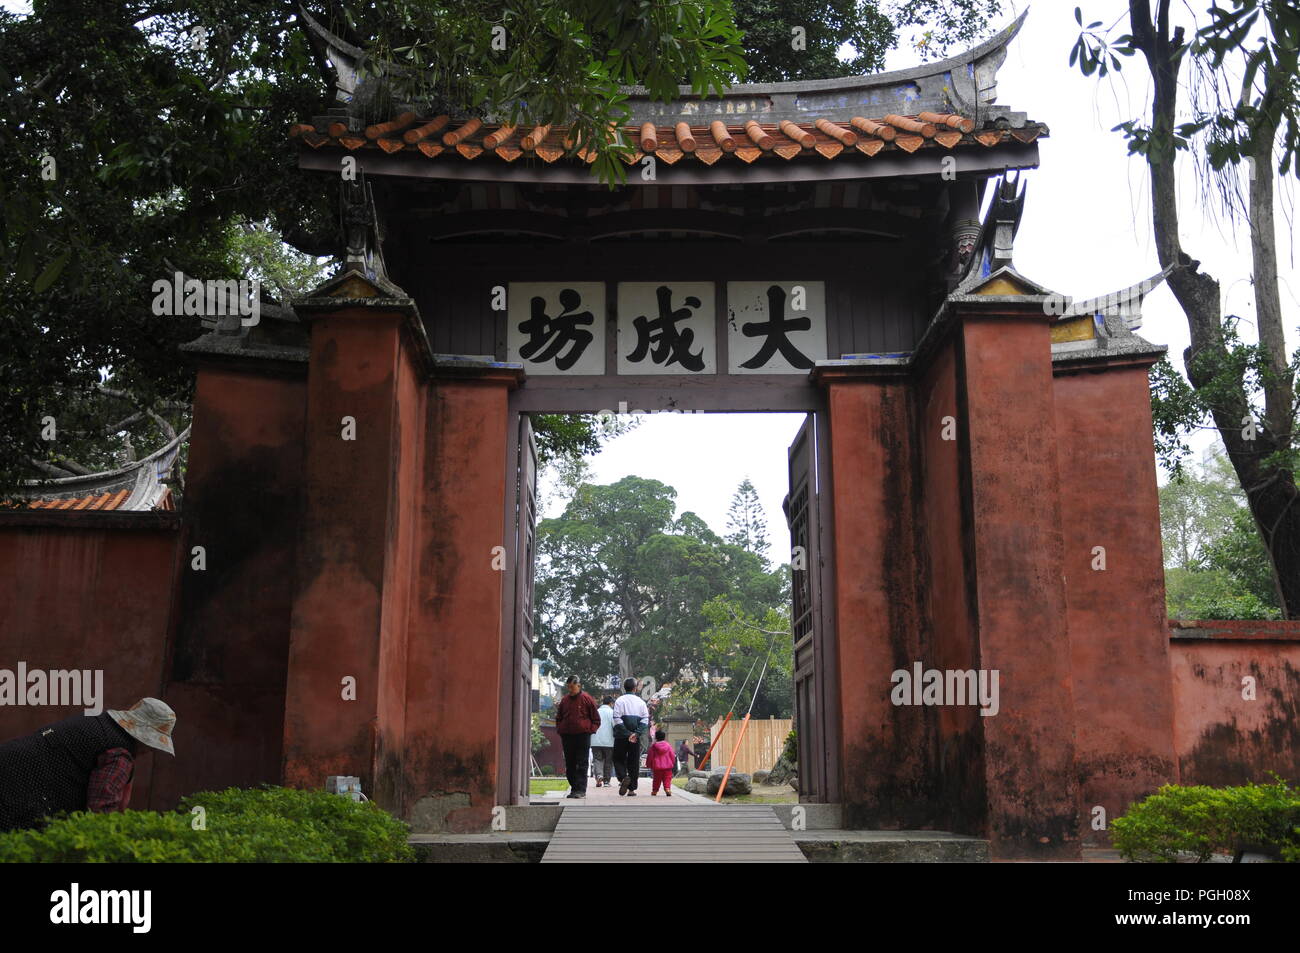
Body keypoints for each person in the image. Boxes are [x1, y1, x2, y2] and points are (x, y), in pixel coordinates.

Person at [0, 698, 177, 832]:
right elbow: (101, 808)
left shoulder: (98, 721)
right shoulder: (118, 754)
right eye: (152, 745)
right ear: (144, 738)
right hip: (14, 792)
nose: (150, 751)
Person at [554, 676, 600, 799]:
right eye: (568, 687)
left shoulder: (587, 699)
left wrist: (590, 730)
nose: (570, 690)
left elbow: (596, 719)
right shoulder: (565, 700)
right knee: (570, 763)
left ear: (578, 686)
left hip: (583, 735)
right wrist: (560, 729)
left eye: (572, 687)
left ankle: (580, 789)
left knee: (582, 762)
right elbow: (559, 717)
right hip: (567, 735)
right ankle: (574, 787)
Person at [611, 676, 650, 797]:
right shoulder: (641, 702)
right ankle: (632, 789)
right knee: (633, 761)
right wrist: (636, 734)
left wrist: (626, 733)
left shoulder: (619, 701)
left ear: (624, 687)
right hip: (635, 737)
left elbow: (616, 718)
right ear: (635, 688)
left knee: (618, 758)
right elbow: (645, 720)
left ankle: (623, 778)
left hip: (621, 736)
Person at [590, 695, 615, 787]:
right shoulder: (612, 713)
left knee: (597, 759)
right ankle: (606, 781)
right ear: (611, 703)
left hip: (595, 741)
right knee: (608, 761)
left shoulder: (595, 712)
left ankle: (599, 776)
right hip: (609, 742)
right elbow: (615, 726)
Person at [647, 730, 676, 796]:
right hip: (668, 766)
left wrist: (648, 764)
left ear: (656, 738)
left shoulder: (654, 746)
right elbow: (672, 755)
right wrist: (673, 762)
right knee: (667, 778)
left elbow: (650, 756)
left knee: (656, 779)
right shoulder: (668, 746)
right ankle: (667, 789)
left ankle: (655, 791)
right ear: (664, 737)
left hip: (657, 766)